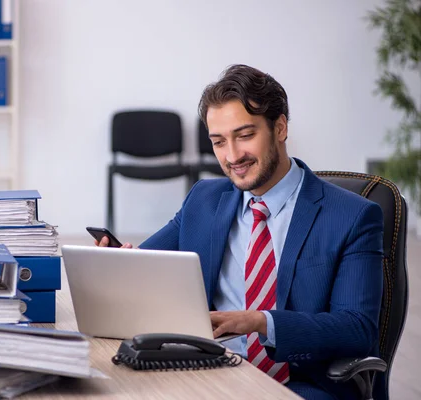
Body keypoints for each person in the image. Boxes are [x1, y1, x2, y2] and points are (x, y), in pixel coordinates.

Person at [96, 64, 384, 400]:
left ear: (280, 127)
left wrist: (262, 322)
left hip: (301, 384)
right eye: (218, 142)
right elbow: (150, 266)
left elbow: (357, 329)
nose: (232, 156)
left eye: (245, 136)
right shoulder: (203, 201)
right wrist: (120, 264)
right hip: (207, 372)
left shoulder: (352, 215)